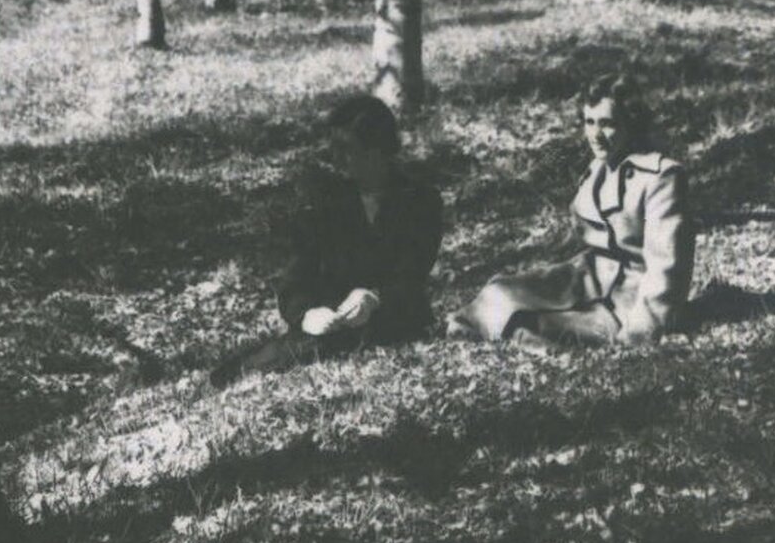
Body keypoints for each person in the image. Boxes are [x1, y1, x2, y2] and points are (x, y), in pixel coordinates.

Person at [210, 93, 443, 386]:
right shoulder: (324, 203)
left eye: (346, 149)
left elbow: (413, 274)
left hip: (397, 324)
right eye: (333, 148)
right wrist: (307, 314)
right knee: (269, 361)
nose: (336, 158)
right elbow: (295, 280)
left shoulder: (421, 201)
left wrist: (376, 297)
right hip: (332, 328)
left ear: (376, 151)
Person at [467, 81, 694, 346]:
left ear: (630, 124)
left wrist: (640, 331)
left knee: (533, 326)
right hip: (586, 279)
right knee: (498, 292)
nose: (595, 134)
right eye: (589, 122)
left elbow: (667, 268)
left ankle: (529, 334)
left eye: (607, 123)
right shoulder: (597, 168)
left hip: (628, 298)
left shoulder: (661, 176)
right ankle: (475, 328)